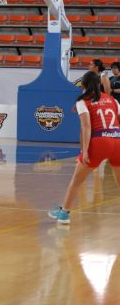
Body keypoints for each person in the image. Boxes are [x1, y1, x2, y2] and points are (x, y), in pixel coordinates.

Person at [49, 71, 120, 224]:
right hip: (117, 139)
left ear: (83, 85)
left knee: (77, 181)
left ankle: (64, 213)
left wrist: (85, 150)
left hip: (100, 141)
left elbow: (86, 126)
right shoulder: (112, 100)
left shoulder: (83, 101)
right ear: (99, 84)